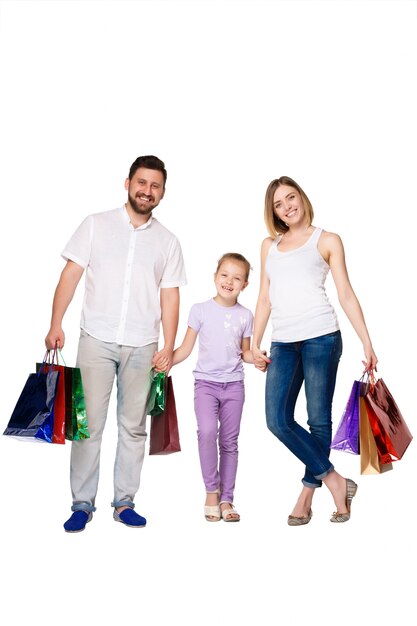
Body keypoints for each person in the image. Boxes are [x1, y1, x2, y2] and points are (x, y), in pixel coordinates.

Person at [45, 155, 186, 532]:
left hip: (143, 344)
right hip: (96, 338)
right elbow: (70, 275)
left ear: (162, 192)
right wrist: (56, 323)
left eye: (155, 186)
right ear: (127, 183)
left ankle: (124, 502)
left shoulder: (167, 241)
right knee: (86, 424)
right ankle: (81, 504)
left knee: (134, 427)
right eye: (142, 182)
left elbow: (170, 297)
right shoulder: (95, 225)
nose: (147, 191)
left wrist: (168, 347)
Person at [252, 176, 377, 525]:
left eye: (290, 197)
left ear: (302, 198)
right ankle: (336, 480)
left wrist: (367, 341)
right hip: (283, 342)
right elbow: (264, 298)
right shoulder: (269, 245)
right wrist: (253, 344)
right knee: (277, 420)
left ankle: (306, 496)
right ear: (273, 211)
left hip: (322, 336)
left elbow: (346, 293)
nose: (287, 206)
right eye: (278, 203)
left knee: (318, 420)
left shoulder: (327, 240)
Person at [172, 253, 264, 522]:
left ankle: (227, 499)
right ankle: (212, 490)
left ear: (245, 285)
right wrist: (166, 362)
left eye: (237, 278)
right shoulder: (199, 310)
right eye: (224, 275)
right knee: (207, 432)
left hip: (234, 386)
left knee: (229, 442)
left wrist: (256, 358)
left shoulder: (246, 315)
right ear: (215, 277)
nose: (229, 281)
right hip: (206, 385)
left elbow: (245, 353)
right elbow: (186, 348)